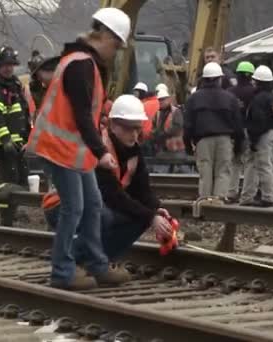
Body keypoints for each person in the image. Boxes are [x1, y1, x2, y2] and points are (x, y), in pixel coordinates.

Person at [27, 7, 132, 291]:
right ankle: (62, 271)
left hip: (74, 150)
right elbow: (82, 115)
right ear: (105, 36)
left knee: (92, 204)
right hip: (59, 148)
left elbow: (87, 115)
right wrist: (103, 152)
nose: (116, 52)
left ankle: (97, 265)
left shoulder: (84, 62)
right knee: (74, 209)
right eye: (116, 45)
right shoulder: (81, 64)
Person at [42, 95, 174, 261]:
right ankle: (72, 258)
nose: (133, 134)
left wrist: (156, 210)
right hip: (61, 206)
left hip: (91, 205)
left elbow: (142, 191)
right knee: (105, 216)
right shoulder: (99, 150)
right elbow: (114, 197)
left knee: (139, 218)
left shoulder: (134, 152)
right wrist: (150, 216)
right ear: (112, 125)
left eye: (137, 129)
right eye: (128, 128)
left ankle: (100, 262)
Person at [0, 46, 31, 226]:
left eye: (10, 64)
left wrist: (26, 137)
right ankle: (6, 218)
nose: (8, 68)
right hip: (2, 145)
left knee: (20, 178)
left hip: (17, 142)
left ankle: (15, 210)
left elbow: (22, 113)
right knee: (7, 181)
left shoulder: (15, 84)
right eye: (4, 65)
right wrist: (6, 140)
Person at [184, 62, 244, 198]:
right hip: (225, 140)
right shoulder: (230, 98)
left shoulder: (194, 98)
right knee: (223, 172)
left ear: (204, 79)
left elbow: (188, 125)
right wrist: (238, 145)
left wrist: (188, 145)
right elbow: (238, 125)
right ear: (220, 79)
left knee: (205, 173)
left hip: (203, 141)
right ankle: (218, 205)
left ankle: (205, 205)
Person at [240, 65, 273, 207]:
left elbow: (258, 121)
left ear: (258, 82)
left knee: (263, 166)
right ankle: (270, 194)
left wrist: (253, 140)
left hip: (263, 135)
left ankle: (267, 198)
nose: (252, 83)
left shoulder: (258, 99)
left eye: (254, 81)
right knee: (271, 165)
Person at [226, 61, 257, 203]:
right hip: (249, 130)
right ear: (251, 75)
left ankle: (231, 192)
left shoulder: (229, 92)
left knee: (234, 162)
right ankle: (247, 195)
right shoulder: (254, 92)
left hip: (232, 130)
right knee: (250, 162)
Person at [152, 88, 191, 173]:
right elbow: (154, 127)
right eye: (159, 100)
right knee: (163, 171)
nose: (161, 102)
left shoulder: (176, 112)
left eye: (163, 99)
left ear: (168, 99)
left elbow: (177, 127)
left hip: (176, 147)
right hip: (163, 147)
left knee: (181, 170)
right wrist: (155, 134)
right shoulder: (158, 113)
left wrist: (164, 134)